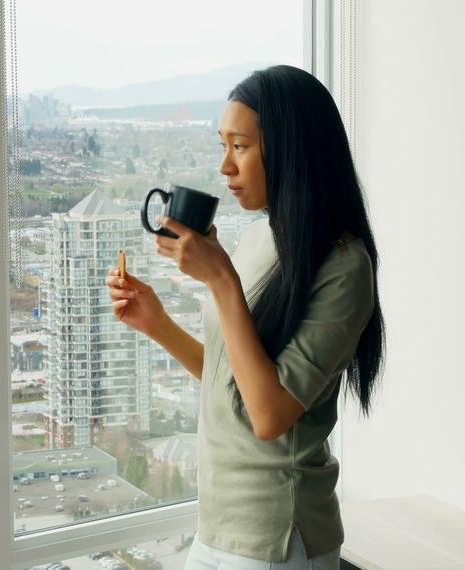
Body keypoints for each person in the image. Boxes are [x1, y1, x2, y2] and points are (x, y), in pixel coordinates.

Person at [105, 65, 385, 569]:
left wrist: (220, 280)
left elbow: (270, 414)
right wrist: (158, 324)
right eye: (223, 146)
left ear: (291, 148)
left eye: (240, 146)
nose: (224, 168)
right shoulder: (261, 238)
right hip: (218, 527)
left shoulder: (345, 267)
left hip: (278, 538)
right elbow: (233, 374)